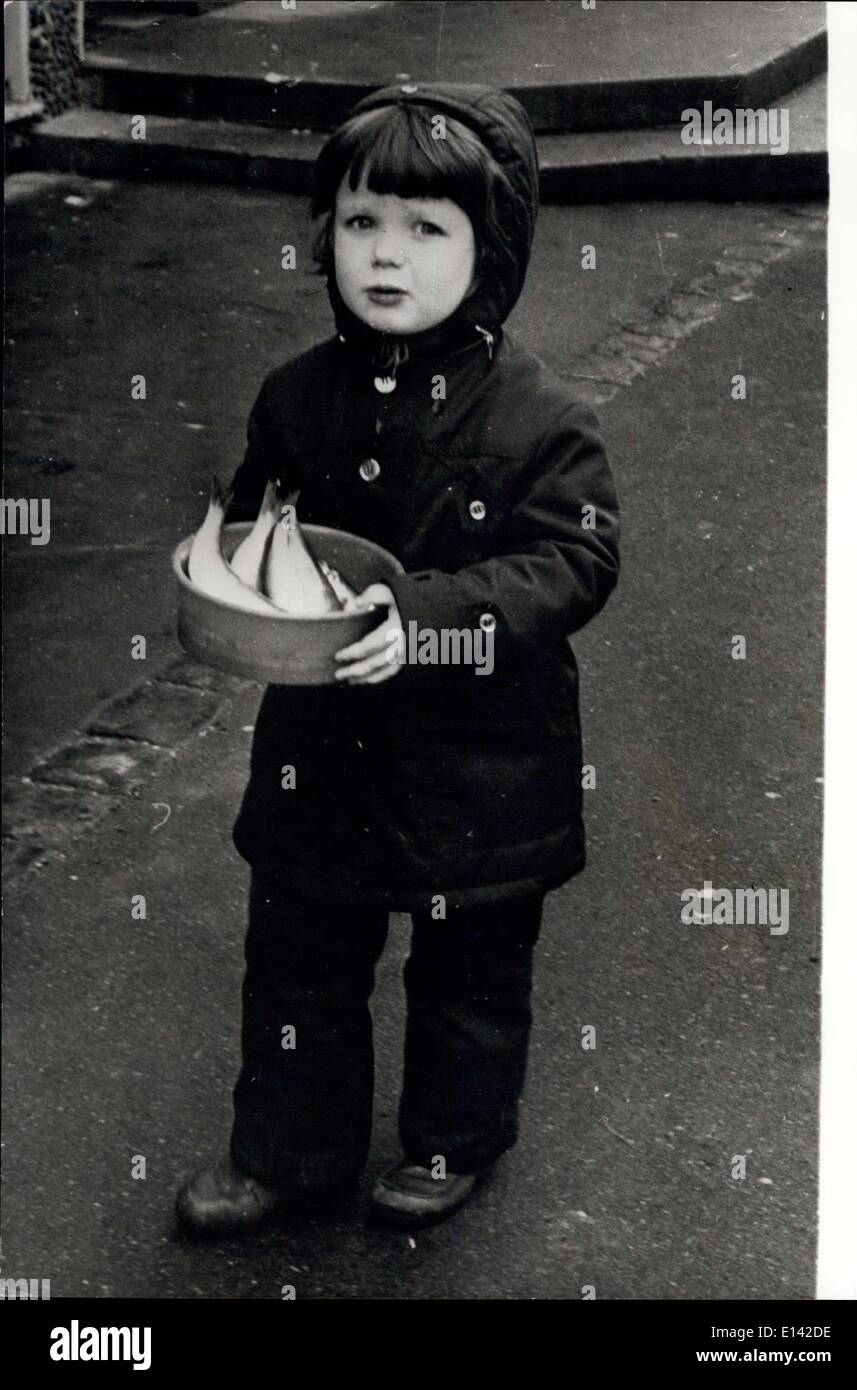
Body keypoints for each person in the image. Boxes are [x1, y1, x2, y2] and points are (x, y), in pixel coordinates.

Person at [175, 81, 621, 1236]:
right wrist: (222, 561)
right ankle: (286, 1150)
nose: (387, 256)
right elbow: (259, 524)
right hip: (319, 750)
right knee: (297, 956)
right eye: (364, 222)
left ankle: (448, 1138)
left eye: (428, 230)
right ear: (326, 234)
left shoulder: (539, 416)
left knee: (467, 967)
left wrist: (423, 618)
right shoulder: (295, 396)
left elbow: (572, 563)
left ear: (492, 248)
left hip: (481, 762)